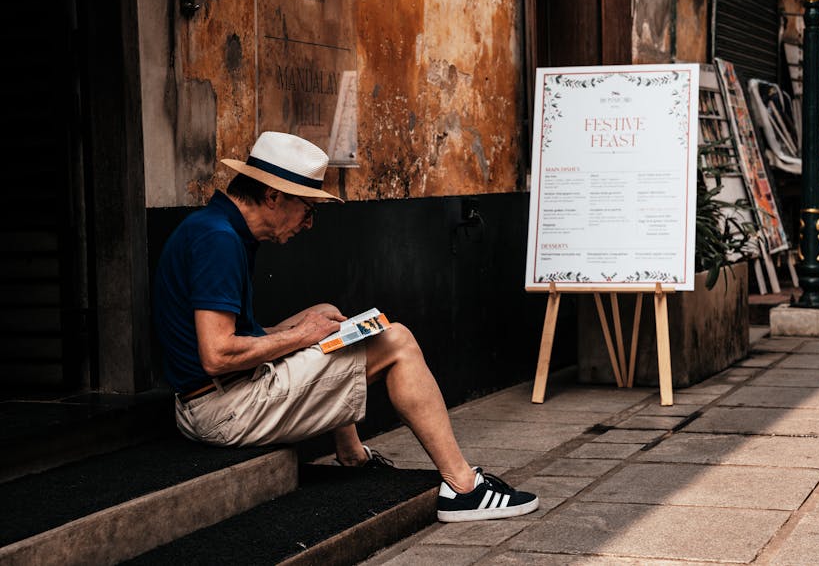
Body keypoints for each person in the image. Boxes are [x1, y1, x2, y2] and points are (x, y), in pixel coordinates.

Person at [152, 131, 538, 522]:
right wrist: (302, 335)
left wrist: (298, 328)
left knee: (328, 314)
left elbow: (228, 340)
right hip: (223, 411)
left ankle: (352, 455)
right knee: (397, 342)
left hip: (215, 399)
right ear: (273, 197)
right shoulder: (219, 241)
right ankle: (463, 488)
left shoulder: (214, 227)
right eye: (308, 209)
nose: (308, 224)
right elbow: (218, 356)